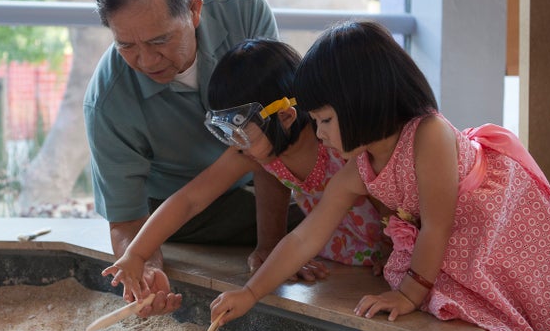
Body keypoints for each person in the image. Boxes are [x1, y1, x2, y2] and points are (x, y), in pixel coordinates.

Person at [210, 20, 550, 331]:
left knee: (521, 276)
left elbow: (436, 227)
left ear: (362, 102)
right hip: (450, 227)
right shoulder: (359, 168)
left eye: (325, 120)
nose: (319, 133)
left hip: (492, 212)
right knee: (460, 290)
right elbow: (303, 238)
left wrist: (409, 295)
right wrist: (250, 293)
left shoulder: (428, 134)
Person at [84, 0, 299, 316]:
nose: (146, 60)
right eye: (126, 46)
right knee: (311, 221)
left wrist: (271, 246)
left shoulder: (246, 13)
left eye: (160, 40)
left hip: (262, 171)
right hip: (179, 210)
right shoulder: (106, 100)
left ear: (194, 11)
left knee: (323, 211)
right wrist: (146, 268)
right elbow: (134, 216)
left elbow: (274, 149)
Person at [101, 39, 390, 297]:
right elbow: (189, 200)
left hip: (392, 248)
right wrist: (136, 254)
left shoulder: (336, 141)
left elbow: (387, 192)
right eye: (225, 132)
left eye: (239, 131)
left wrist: (394, 250)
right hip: (338, 252)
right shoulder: (255, 150)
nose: (233, 143)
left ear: (286, 117)